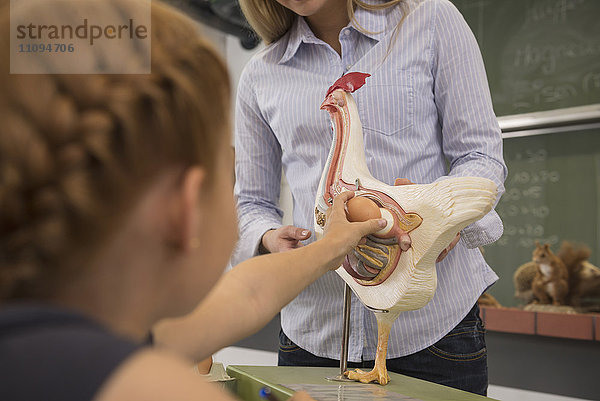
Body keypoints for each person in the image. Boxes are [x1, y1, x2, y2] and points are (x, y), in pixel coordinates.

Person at [0, 1, 387, 400]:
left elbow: (249, 294)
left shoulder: (87, 338)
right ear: (184, 208)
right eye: (227, 170)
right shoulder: (151, 387)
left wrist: (331, 247)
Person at [233, 0, 507, 395]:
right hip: (313, 335)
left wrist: (445, 227)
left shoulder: (429, 20)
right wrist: (268, 237)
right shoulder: (261, 74)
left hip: (433, 333)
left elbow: (480, 156)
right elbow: (251, 204)